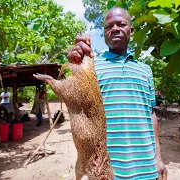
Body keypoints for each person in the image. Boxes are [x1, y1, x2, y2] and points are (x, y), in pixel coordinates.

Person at [67, 7, 167, 180]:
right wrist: (76, 65)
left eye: (121, 24)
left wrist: (158, 158)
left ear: (131, 30)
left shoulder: (145, 70)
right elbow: (78, 108)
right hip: (105, 169)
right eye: (109, 26)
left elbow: (151, 114)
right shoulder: (91, 68)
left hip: (145, 168)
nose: (115, 29)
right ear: (104, 32)